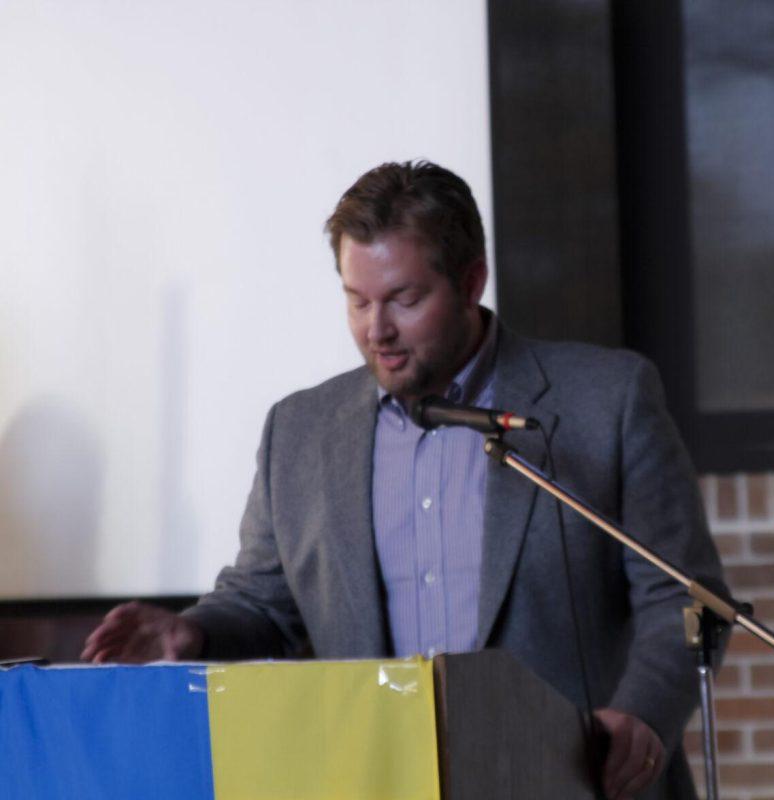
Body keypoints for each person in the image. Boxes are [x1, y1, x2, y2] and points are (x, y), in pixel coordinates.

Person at [82, 161, 726, 800]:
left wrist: (641, 716)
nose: (376, 330)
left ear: (472, 280)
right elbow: (262, 603)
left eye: (404, 299)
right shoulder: (299, 433)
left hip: (575, 780)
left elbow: (684, 602)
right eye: (356, 300)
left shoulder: (604, 402)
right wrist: (190, 632)